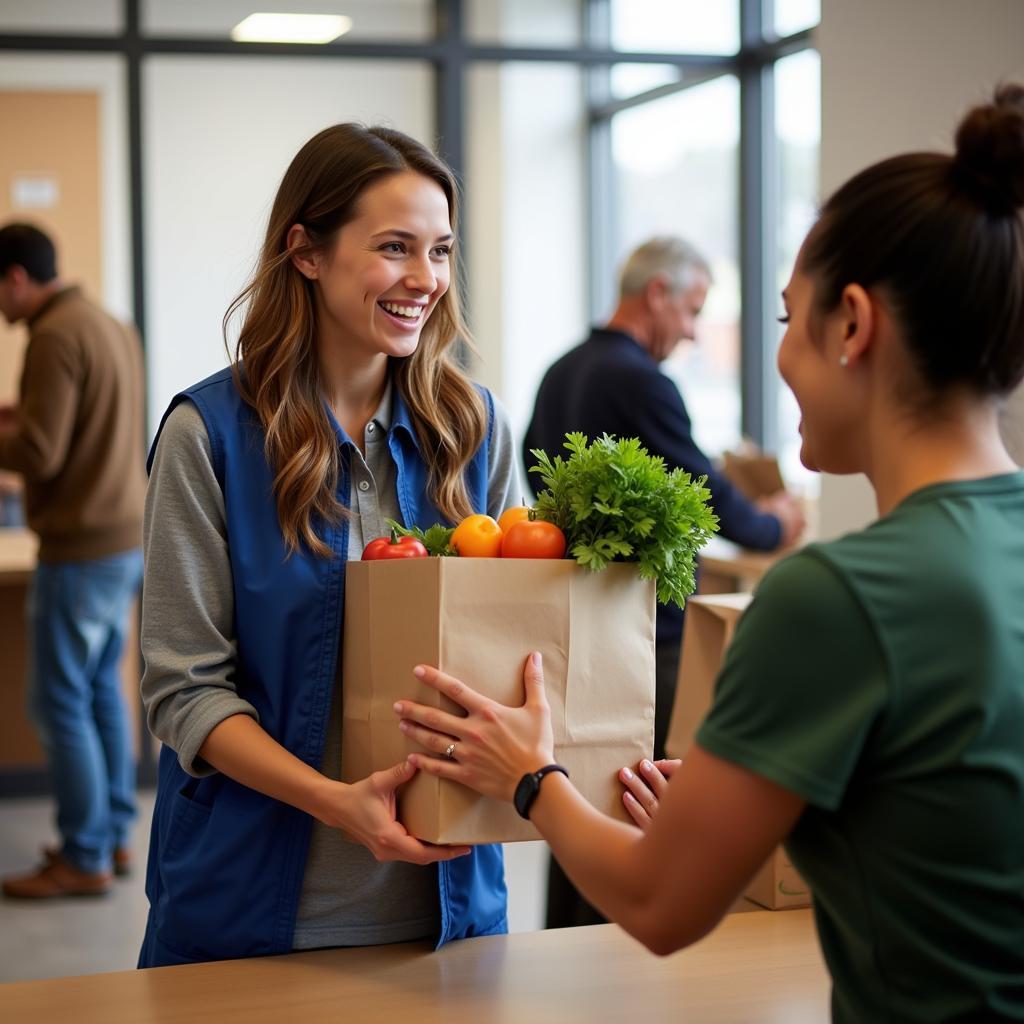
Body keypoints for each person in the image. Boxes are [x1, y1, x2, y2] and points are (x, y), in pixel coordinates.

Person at [393, 83, 1024, 1022]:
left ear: (852, 324)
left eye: (783, 319)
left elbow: (659, 904)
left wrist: (531, 778)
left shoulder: (836, 598)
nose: (775, 356)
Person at [138, 124, 521, 966]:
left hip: (450, 912)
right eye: (394, 248)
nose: (425, 279)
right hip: (249, 914)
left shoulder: (474, 429)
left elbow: (517, 651)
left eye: (441, 251)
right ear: (306, 252)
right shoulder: (210, 436)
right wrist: (336, 802)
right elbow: (183, 689)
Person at [522, 236, 805, 928]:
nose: (690, 330)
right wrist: (773, 526)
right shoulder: (643, 381)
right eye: (692, 309)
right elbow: (702, 490)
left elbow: (538, 481)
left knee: (572, 790)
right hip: (645, 633)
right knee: (632, 793)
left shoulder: (562, 371)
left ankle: (567, 948)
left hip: (573, 624)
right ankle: (612, 959)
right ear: (657, 294)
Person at [0, 223, 146, 899]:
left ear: (16, 280)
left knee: (59, 701)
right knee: (97, 691)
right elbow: (79, 425)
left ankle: (82, 855)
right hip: (122, 541)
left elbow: (40, 455)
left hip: (80, 549)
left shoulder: (52, 336)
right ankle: (111, 836)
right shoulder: (106, 323)